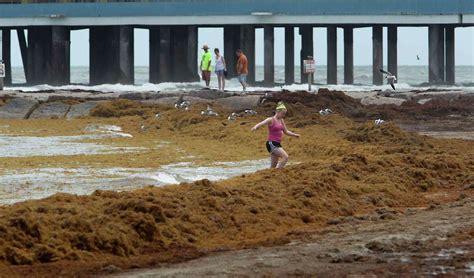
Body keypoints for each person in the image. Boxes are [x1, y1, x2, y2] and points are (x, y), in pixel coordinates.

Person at [251, 102, 300, 168]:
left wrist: (294, 135)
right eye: (283, 113)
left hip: (277, 143)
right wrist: (255, 127)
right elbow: (262, 123)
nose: (284, 115)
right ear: (277, 111)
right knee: (285, 157)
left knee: (273, 167)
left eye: (285, 114)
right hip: (271, 143)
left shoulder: (281, 120)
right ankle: (278, 173)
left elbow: (286, 131)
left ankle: (270, 176)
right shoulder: (271, 120)